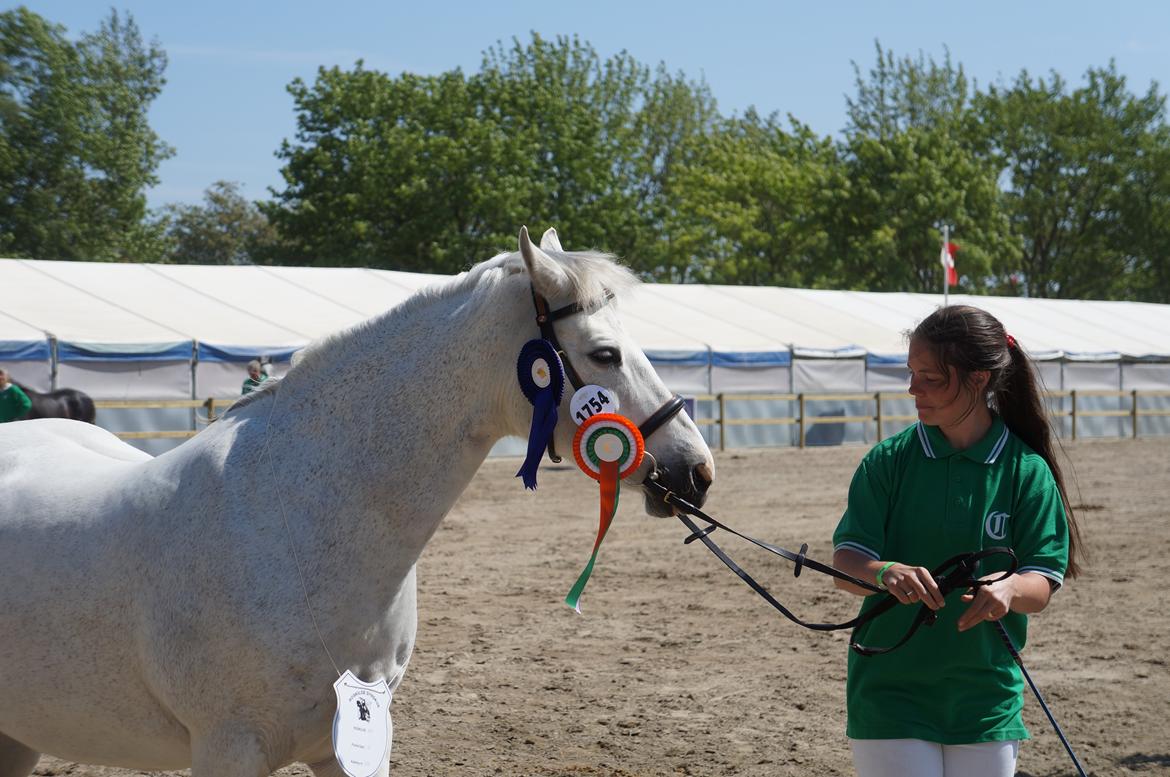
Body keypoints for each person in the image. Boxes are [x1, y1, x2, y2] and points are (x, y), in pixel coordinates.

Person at [831, 305, 1084, 777]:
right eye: (911, 373)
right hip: (889, 693)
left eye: (930, 377)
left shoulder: (1027, 472)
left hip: (986, 699)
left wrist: (1008, 589)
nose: (912, 389)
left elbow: (1042, 583)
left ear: (978, 379)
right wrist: (884, 573)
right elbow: (847, 561)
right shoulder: (888, 461)